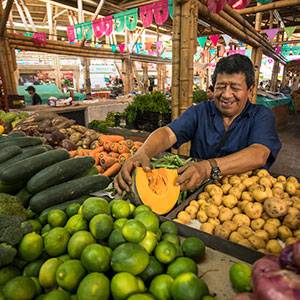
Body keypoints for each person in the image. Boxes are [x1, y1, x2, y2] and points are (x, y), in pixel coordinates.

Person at [114, 54, 281, 194]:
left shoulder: (261, 115)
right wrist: (143, 152)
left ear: (250, 91)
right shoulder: (200, 112)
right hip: (196, 191)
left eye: (235, 88)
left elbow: (259, 153)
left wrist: (209, 167)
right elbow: (168, 133)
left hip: (244, 195)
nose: (226, 94)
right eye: (221, 86)